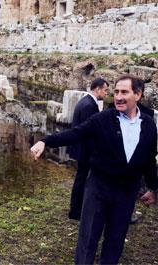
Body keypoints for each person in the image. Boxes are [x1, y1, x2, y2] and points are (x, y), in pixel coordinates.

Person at [30, 75, 157, 264]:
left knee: (115, 241)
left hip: (126, 193)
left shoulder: (148, 125)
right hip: (99, 189)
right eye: (115, 92)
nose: (118, 97)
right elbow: (76, 133)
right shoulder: (103, 119)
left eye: (124, 92)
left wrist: (154, 188)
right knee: (88, 239)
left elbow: (148, 159)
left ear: (137, 95)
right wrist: (45, 141)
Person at [68, 78, 109, 220]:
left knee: (81, 178)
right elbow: (88, 131)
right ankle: (76, 211)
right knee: (81, 179)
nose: (106, 93)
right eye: (105, 90)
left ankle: (77, 209)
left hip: (81, 148)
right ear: (97, 89)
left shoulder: (85, 101)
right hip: (84, 150)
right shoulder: (89, 105)